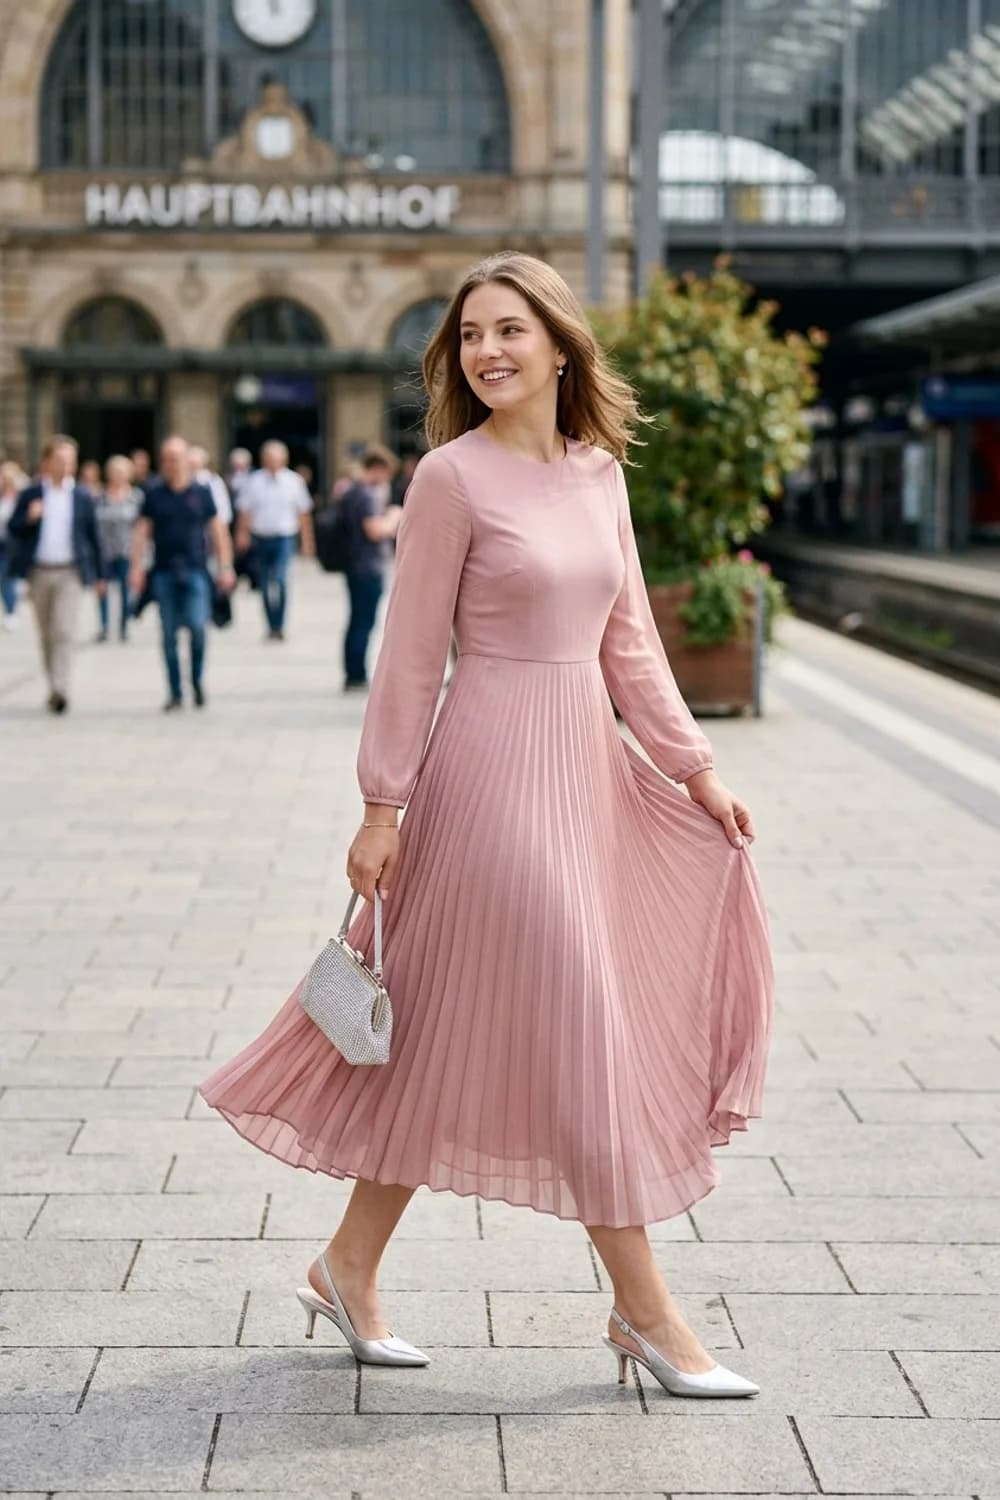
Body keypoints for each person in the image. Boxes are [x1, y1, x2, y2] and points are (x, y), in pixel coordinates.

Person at [200, 252, 773, 1397]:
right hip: (486, 777)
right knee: (579, 1015)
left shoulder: (598, 472)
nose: (488, 352)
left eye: (510, 330)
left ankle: (346, 1267)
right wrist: (380, 804)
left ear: (560, 345)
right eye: (470, 336)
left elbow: (629, 646)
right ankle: (647, 1312)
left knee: (446, 1037)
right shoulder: (450, 478)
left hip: (584, 772)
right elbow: (410, 658)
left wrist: (694, 768)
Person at [129, 435, 235, 712]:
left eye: (175, 458)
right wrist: (136, 567)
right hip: (163, 571)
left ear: (188, 460)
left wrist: (225, 566)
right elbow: (142, 531)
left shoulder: (202, 492)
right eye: (166, 458)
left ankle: (197, 681)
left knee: (199, 628)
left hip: (197, 570)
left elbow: (218, 530)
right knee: (168, 634)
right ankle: (175, 691)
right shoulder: (153, 492)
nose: (171, 464)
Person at [7, 434, 106, 713]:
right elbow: (14, 528)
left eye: (70, 461)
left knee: (63, 630)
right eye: (60, 460)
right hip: (39, 571)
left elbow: (93, 538)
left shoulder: (82, 497)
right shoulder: (32, 493)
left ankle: (60, 688)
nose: (66, 467)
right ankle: (52, 684)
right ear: (47, 462)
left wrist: (100, 575)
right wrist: (29, 517)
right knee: (46, 634)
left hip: (70, 572)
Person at [234, 440, 316, 640]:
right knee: (263, 582)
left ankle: (280, 624)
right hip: (261, 538)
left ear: (284, 459)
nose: (272, 462)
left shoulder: (294, 481)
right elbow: (245, 511)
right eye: (268, 458)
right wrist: (242, 534)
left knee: (280, 579)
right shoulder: (254, 481)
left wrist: (307, 542)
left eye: (276, 458)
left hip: (284, 538)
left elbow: (303, 514)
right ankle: (270, 625)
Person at [337, 449, 403, 691]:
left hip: (355, 564)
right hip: (367, 566)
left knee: (356, 619)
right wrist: (394, 517)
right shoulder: (364, 495)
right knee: (364, 621)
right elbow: (375, 530)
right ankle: (356, 674)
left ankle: (353, 671)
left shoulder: (350, 492)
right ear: (378, 469)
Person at [94, 454, 141, 642]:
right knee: (103, 589)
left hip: (127, 549)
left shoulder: (136, 497)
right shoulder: (100, 497)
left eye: (121, 472)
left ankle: (124, 626)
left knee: (125, 590)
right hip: (104, 550)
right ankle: (104, 626)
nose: (118, 476)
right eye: (114, 472)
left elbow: (142, 527)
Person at [0, 461, 28, 631]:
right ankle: (11, 608)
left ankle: (11, 611)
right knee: (4, 580)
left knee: (7, 578)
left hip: (14, 544)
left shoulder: (20, 497)